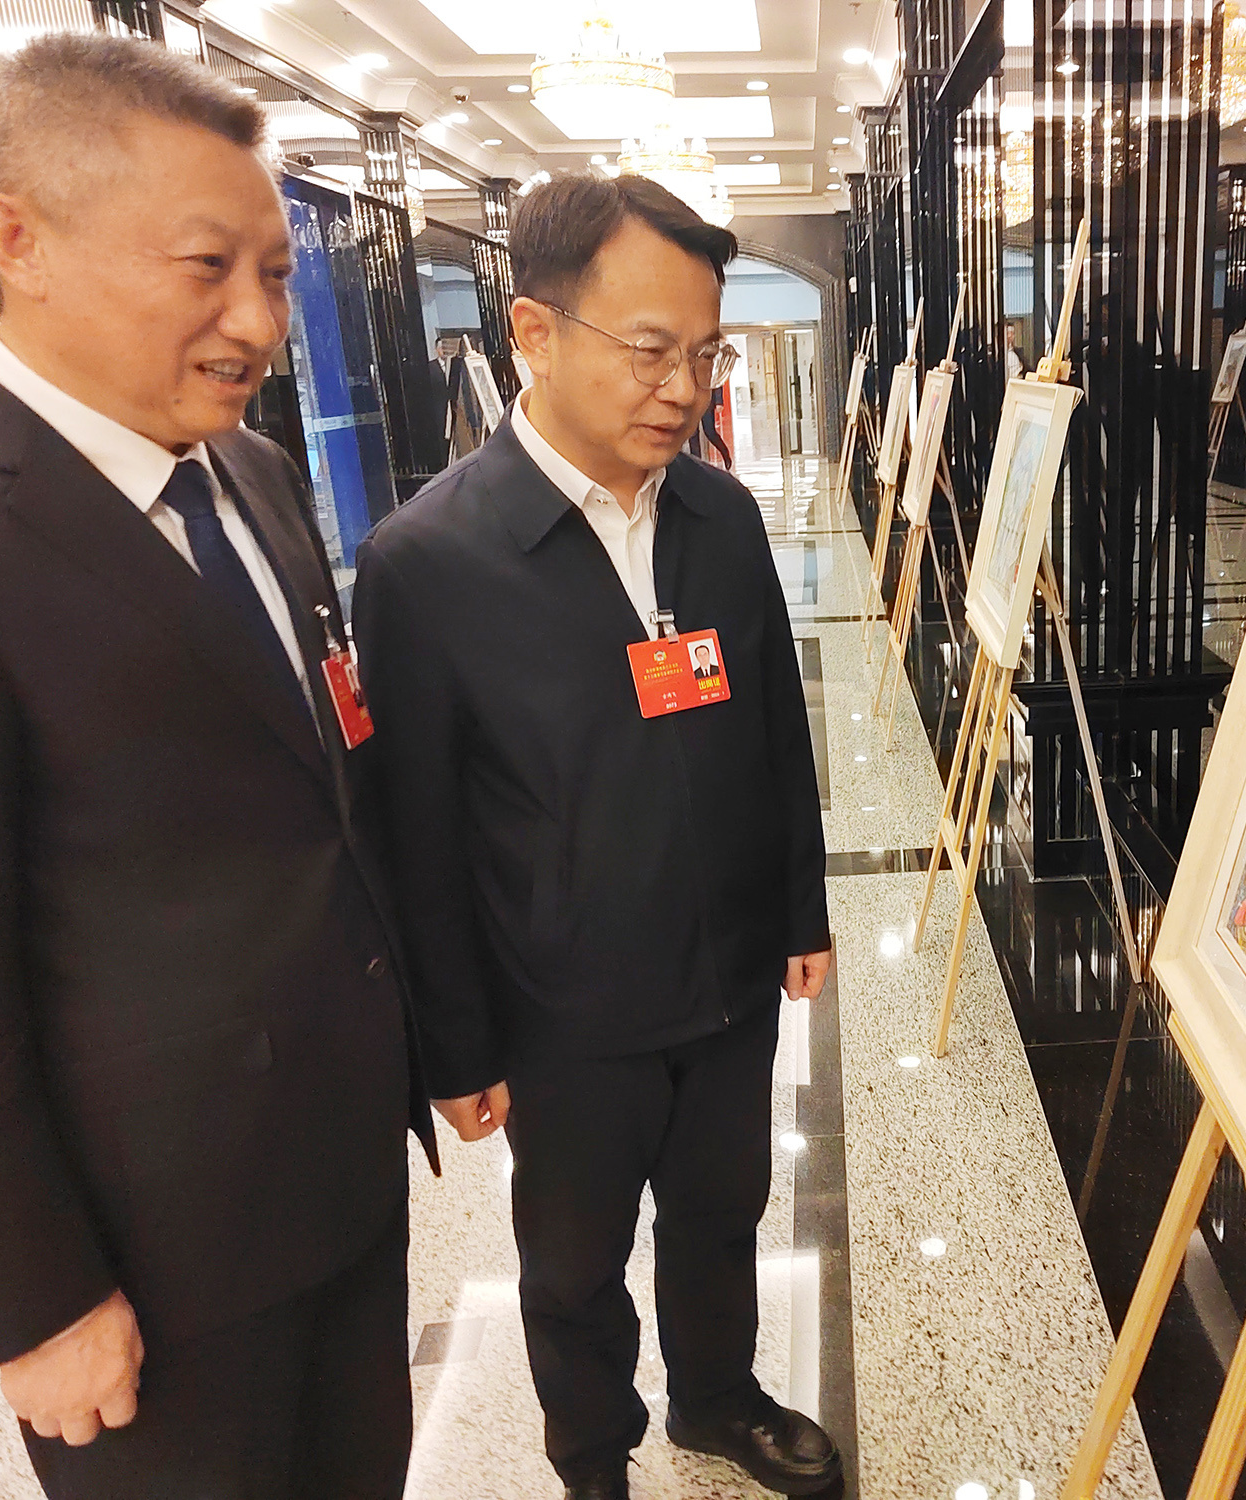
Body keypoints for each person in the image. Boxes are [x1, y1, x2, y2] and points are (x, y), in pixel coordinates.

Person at [0, 34, 432, 1500]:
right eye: (206, 267)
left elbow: (314, 794)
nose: (254, 321)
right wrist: (30, 1300)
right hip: (144, 1258)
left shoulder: (252, 474)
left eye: (272, 273)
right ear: (15, 237)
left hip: (338, 1177)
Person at [354, 173, 836, 1500]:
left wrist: (798, 910)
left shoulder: (719, 516)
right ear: (534, 332)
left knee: (722, 1212)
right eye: (649, 350)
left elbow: (774, 731)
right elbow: (418, 834)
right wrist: (456, 1045)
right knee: (572, 1266)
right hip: (559, 1006)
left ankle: (718, 1398)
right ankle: (591, 1457)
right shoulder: (428, 562)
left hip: (728, 970)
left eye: (705, 354)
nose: (682, 389)